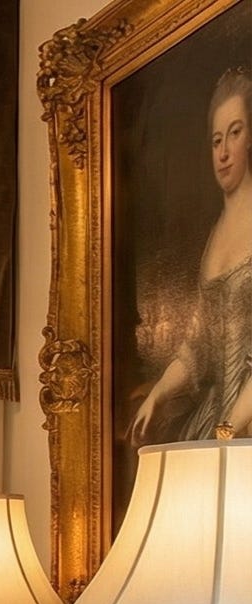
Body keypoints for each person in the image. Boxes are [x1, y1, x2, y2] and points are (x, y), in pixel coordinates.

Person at [128, 68, 252, 445]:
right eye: (216, 140)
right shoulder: (215, 234)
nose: (223, 152)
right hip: (216, 420)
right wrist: (157, 394)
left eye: (235, 133)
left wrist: (229, 427)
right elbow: (199, 346)